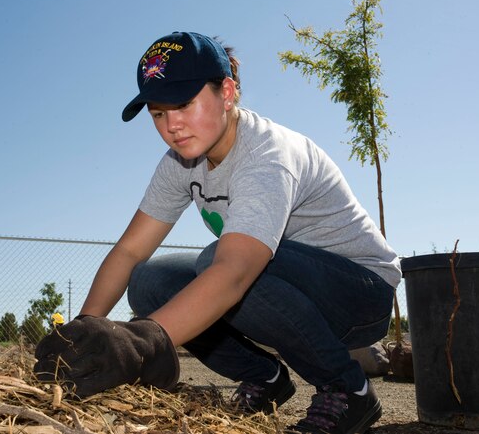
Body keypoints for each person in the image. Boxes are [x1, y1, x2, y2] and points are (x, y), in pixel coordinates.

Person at [34, 31, 401, 434]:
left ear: (227, 92)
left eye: (184, 104)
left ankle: (349, 389)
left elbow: (235, 272)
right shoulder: (180, 162)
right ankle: (266, 378)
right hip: (285, 288)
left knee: (215, 261)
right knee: (150, 280)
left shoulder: (268, 155)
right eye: (158, 113)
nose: (172, 125)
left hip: (360, 292)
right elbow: (128, 252)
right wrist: (85, 332)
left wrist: (142, 344)